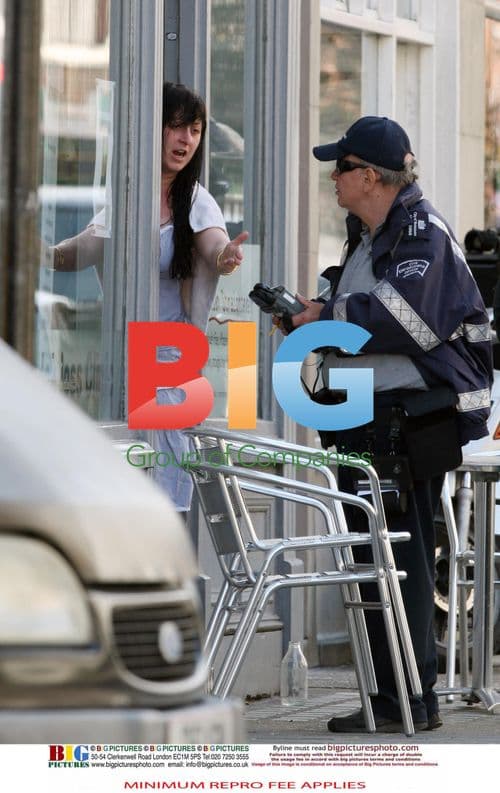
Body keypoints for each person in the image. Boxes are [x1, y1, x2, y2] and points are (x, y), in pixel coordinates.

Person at [286, 116, 493, 732]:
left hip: (407, 422)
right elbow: (359, 308)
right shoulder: (372, 234)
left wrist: (325, 315)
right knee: (375, 557)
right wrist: (312, 312)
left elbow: (404, 320)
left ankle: (409, 701)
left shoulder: (420, 233)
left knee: (399, 560)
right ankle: (391, 699)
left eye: (342, 168)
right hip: (370, 416)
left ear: (370, 177)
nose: (334, 177)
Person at [50, 81, 248, 512]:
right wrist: (40, 252)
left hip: (170, 368)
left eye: (194, 130)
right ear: (150, 127)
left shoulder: (196, 201)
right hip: (120, 367)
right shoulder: (127, 196)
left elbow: (215, 246)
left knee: (163, 499)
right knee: (116, 496)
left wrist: (227, 257)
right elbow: (81, 250)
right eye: (175, 126)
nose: (185, 140)